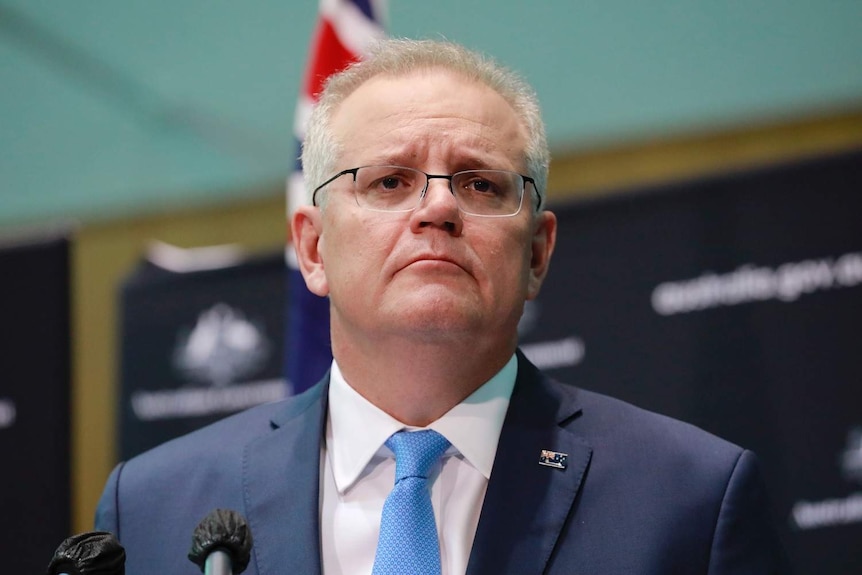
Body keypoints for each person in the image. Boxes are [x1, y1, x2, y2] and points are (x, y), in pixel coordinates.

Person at [95, 38, 787, 574]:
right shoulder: (157, 505)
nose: (438, 207)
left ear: (538, 252)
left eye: (481, 184)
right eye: (390, 180)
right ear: (312, 248)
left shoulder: (689, 498)